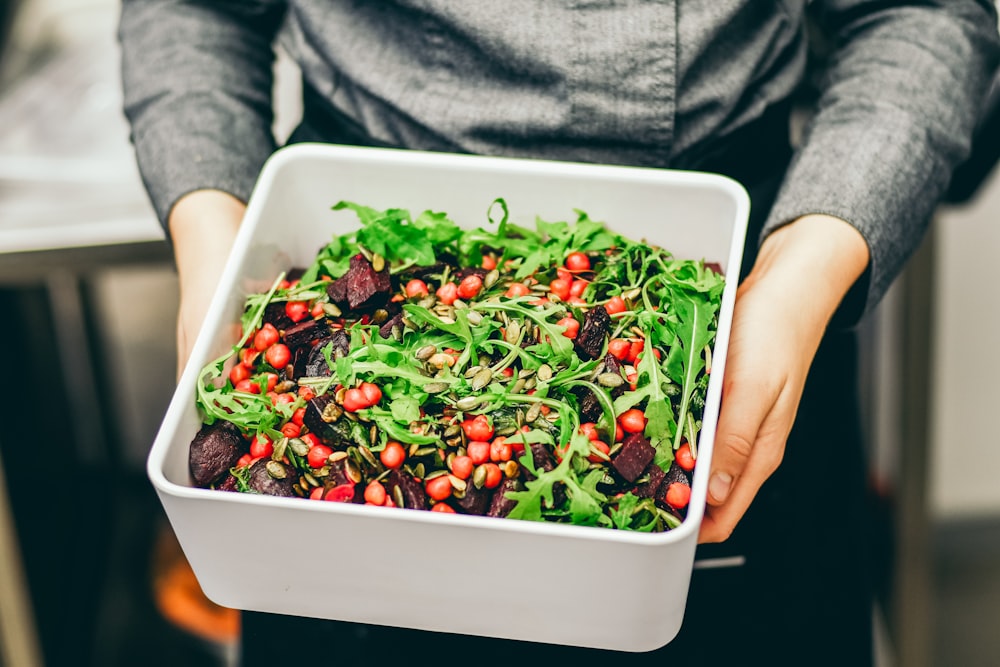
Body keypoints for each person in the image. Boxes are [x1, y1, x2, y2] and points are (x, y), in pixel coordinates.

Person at [119, 2, 999, 665]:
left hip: (733, 286)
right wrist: (217, 250)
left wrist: (805, 273)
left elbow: (919, 16)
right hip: (361, 241)